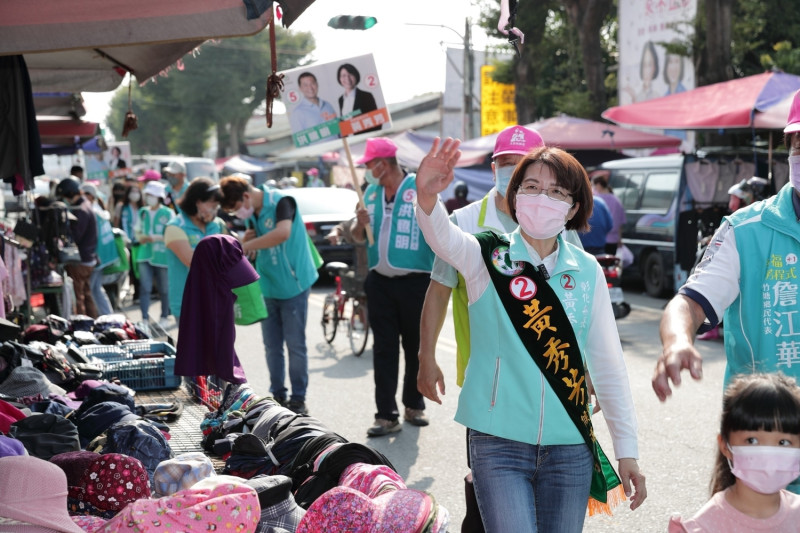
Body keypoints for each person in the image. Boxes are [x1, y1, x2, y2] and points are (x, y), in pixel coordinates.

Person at [415, 138, 646, 531]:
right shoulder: (485, 255)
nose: (543, 198)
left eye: (557, 191)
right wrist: (426, 196)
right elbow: (443, 238)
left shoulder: (587, 271)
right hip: (497, 441)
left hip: (570, 445)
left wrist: (627, 452)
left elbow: (608, 366)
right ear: (515, 195)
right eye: (532, 187)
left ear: (573, 208)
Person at [417, 124, 544, 531]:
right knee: (489, 484)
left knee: (542, 481)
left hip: (548, 376)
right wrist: (426, 357)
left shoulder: (558, 219)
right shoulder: (465, 221)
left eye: (524, 165)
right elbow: (438, 291)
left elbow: (579, 303)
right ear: (493, 168)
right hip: (486, 377)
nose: (515, 173)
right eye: (507, 164)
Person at [653, 89, 800, 410]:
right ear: (789, 151)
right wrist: (677, 341)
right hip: (763, 432)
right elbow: (689, 305)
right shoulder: (745, 231)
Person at [351, 137, 435, 437]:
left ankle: (414, 405)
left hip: (415, 282)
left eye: (369, 165)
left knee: (415, 347)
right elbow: (356, 235)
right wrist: (358, 224)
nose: (366, 170)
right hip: (380, 283)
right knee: (383, 349)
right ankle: (386, 415)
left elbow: (439, 225)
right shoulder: (370, 193)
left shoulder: (418, 187)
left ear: (382, 164)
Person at [219, 175, 318, 415]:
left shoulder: (282, 201)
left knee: (295, 345)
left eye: (236, 208)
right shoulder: (253, 212)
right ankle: (277, 395)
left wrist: (245, 245)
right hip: (269, 286)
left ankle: (298, 398)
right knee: (272, 345)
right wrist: (246, 240)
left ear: (246, 196)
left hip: (294, 285)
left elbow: (282, 233)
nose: (239, 214)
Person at [668, 373, 800, 531]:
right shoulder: (706, 527)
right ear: (725, 446)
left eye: (783, 442)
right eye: (752, 440)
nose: (767, 455)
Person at [164, 178, 225, 321]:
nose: (214, 210)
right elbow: (193, 261)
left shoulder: (217, 224)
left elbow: (235, 252)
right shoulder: (175, 227)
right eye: (211, 205)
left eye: (217, 206)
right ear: (197, 202)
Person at [55, 176, 98, 317]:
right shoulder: (85, 204)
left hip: (82, 260)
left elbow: (76, 236)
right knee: (86, 294)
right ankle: (92, 320)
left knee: (78, 297)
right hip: (89, 258)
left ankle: (82, 325)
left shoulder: (81, 209)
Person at [135, 181, 173, 328]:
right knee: (145, 288)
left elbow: (172, 233)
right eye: (148, 194)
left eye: (152, 195)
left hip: (162, 255)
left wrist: (156, 237)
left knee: (164, 288)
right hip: (144, 254)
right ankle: (144, 318)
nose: (149, 197)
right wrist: (141, 237)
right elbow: (137, 230)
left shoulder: (167, 213)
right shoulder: (143, 212)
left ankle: (164, 316)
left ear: (159, 196)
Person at [80, 183, 115, 316]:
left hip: (96, 257)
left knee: (92, 289)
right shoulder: (98, 210)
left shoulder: (91, 211)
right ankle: (108, 316)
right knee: (96, 289)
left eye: (84, 194)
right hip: (102, 256)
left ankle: (104, 317)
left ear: (90, 195)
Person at [288, 72, 338, 143]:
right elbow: (300, 142)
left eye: (312, 83)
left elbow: (339, 130)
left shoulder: (327, 105)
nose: (310, 88)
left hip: (340, 150)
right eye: (305, 85)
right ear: (300, 89)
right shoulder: (298, 113)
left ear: (317, 84)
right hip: (318, 154)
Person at [336, 63, 381, 133]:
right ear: (339, 79)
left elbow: (377, 120)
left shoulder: (366, 96)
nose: (347, 78)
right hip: (350, 140)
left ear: (356, 76)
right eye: (343, 76)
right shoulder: (341, 100)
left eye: (350, 74)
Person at [591, 170, 626, 254]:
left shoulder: (596, 200)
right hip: (613, 240)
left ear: (598, 185)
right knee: (610, 265)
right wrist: (619, 239)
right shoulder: (616, 200)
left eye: (594, 186)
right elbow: (620, 223)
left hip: (598, 241)